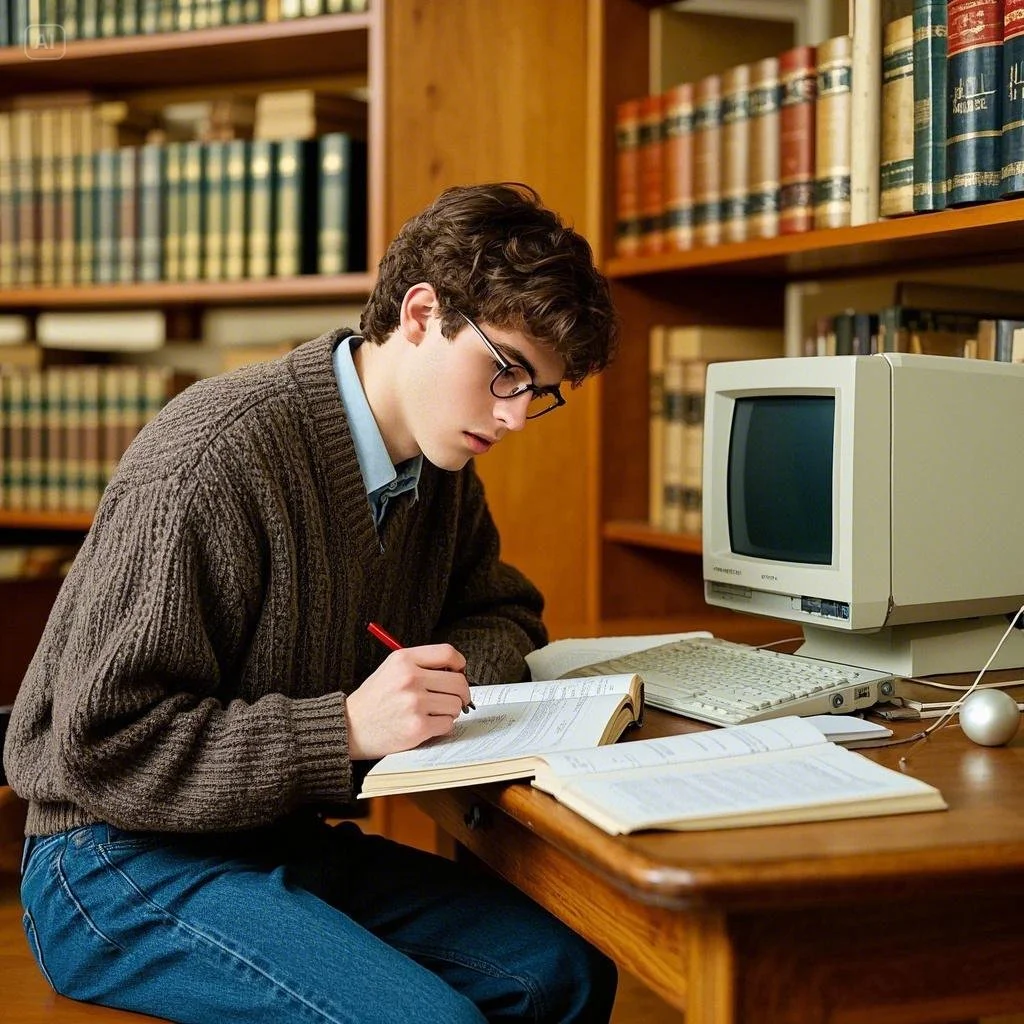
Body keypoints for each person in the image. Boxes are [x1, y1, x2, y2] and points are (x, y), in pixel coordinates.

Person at [3, 182, 620, 1023]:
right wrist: (350, 729)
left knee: (564, 971)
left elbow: (503, 612)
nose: (514, 417)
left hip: (270, 837)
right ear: (419, 311)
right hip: (110, 858)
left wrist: (442, 683)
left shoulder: (440, 475)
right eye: (505, 371)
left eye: (537, 391)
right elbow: (100, 746)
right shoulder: (215, 456)